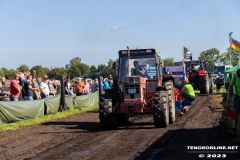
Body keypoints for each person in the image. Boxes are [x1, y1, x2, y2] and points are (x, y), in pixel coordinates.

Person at [227, 69, 240, 137]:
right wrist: (229, 97)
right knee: (235, 113)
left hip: (237, 97)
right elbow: (230, 86)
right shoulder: (235, 77)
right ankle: (234, 129)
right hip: (237, 97)